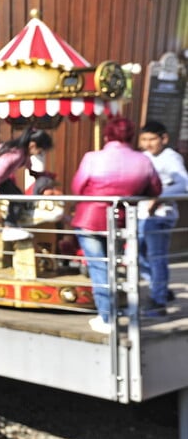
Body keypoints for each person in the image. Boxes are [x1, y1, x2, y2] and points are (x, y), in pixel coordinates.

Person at [71, 117, 161, 334]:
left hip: (90, 219)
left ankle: (107, 317)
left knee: (99, 268)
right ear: (131, 136)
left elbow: (77, 187)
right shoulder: (143, 161)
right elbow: (155, 189)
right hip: (121, 221)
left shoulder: (93, 158)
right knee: (114, 267)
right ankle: (123, 314)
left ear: (106, 136)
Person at [136, 121, 188, 316]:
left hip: (160, 215)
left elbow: (184, 184)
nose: (148, 144)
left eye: (152, 139)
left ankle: (158, 300)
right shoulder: (143, 157)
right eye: (144, 139)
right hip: (142, 214)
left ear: (163, 139)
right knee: (138, 255)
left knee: (157, 258)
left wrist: (159, 197)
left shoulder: (170, 158)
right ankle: (161, 289)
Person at [0, 128, 53, 239]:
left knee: (17, 195)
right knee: (17, 199)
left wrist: (31, 171)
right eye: (41, 150)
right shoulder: (15, 153)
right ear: (32, 145)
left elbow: (27, 161)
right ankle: (9, 227)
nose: (41, 153)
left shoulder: (22, 151)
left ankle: (11, 224)